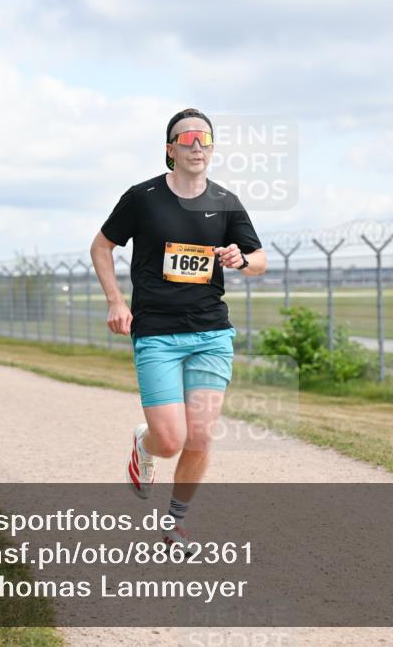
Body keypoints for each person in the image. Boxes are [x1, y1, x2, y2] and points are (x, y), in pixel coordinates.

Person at [91, 108, 267, 551]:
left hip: (210, 332)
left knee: (202, 434)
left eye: (203, 138)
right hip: (156, 333)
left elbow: (259, 260)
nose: (195, 145)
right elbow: (101, 247)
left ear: (211, 148)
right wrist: (116, 300)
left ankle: (175, 523)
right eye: (185, 138)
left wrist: (240, 260)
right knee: (171, 441)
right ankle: (143, 443)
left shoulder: (225, 201)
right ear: (170, 149)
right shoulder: (143, 197)